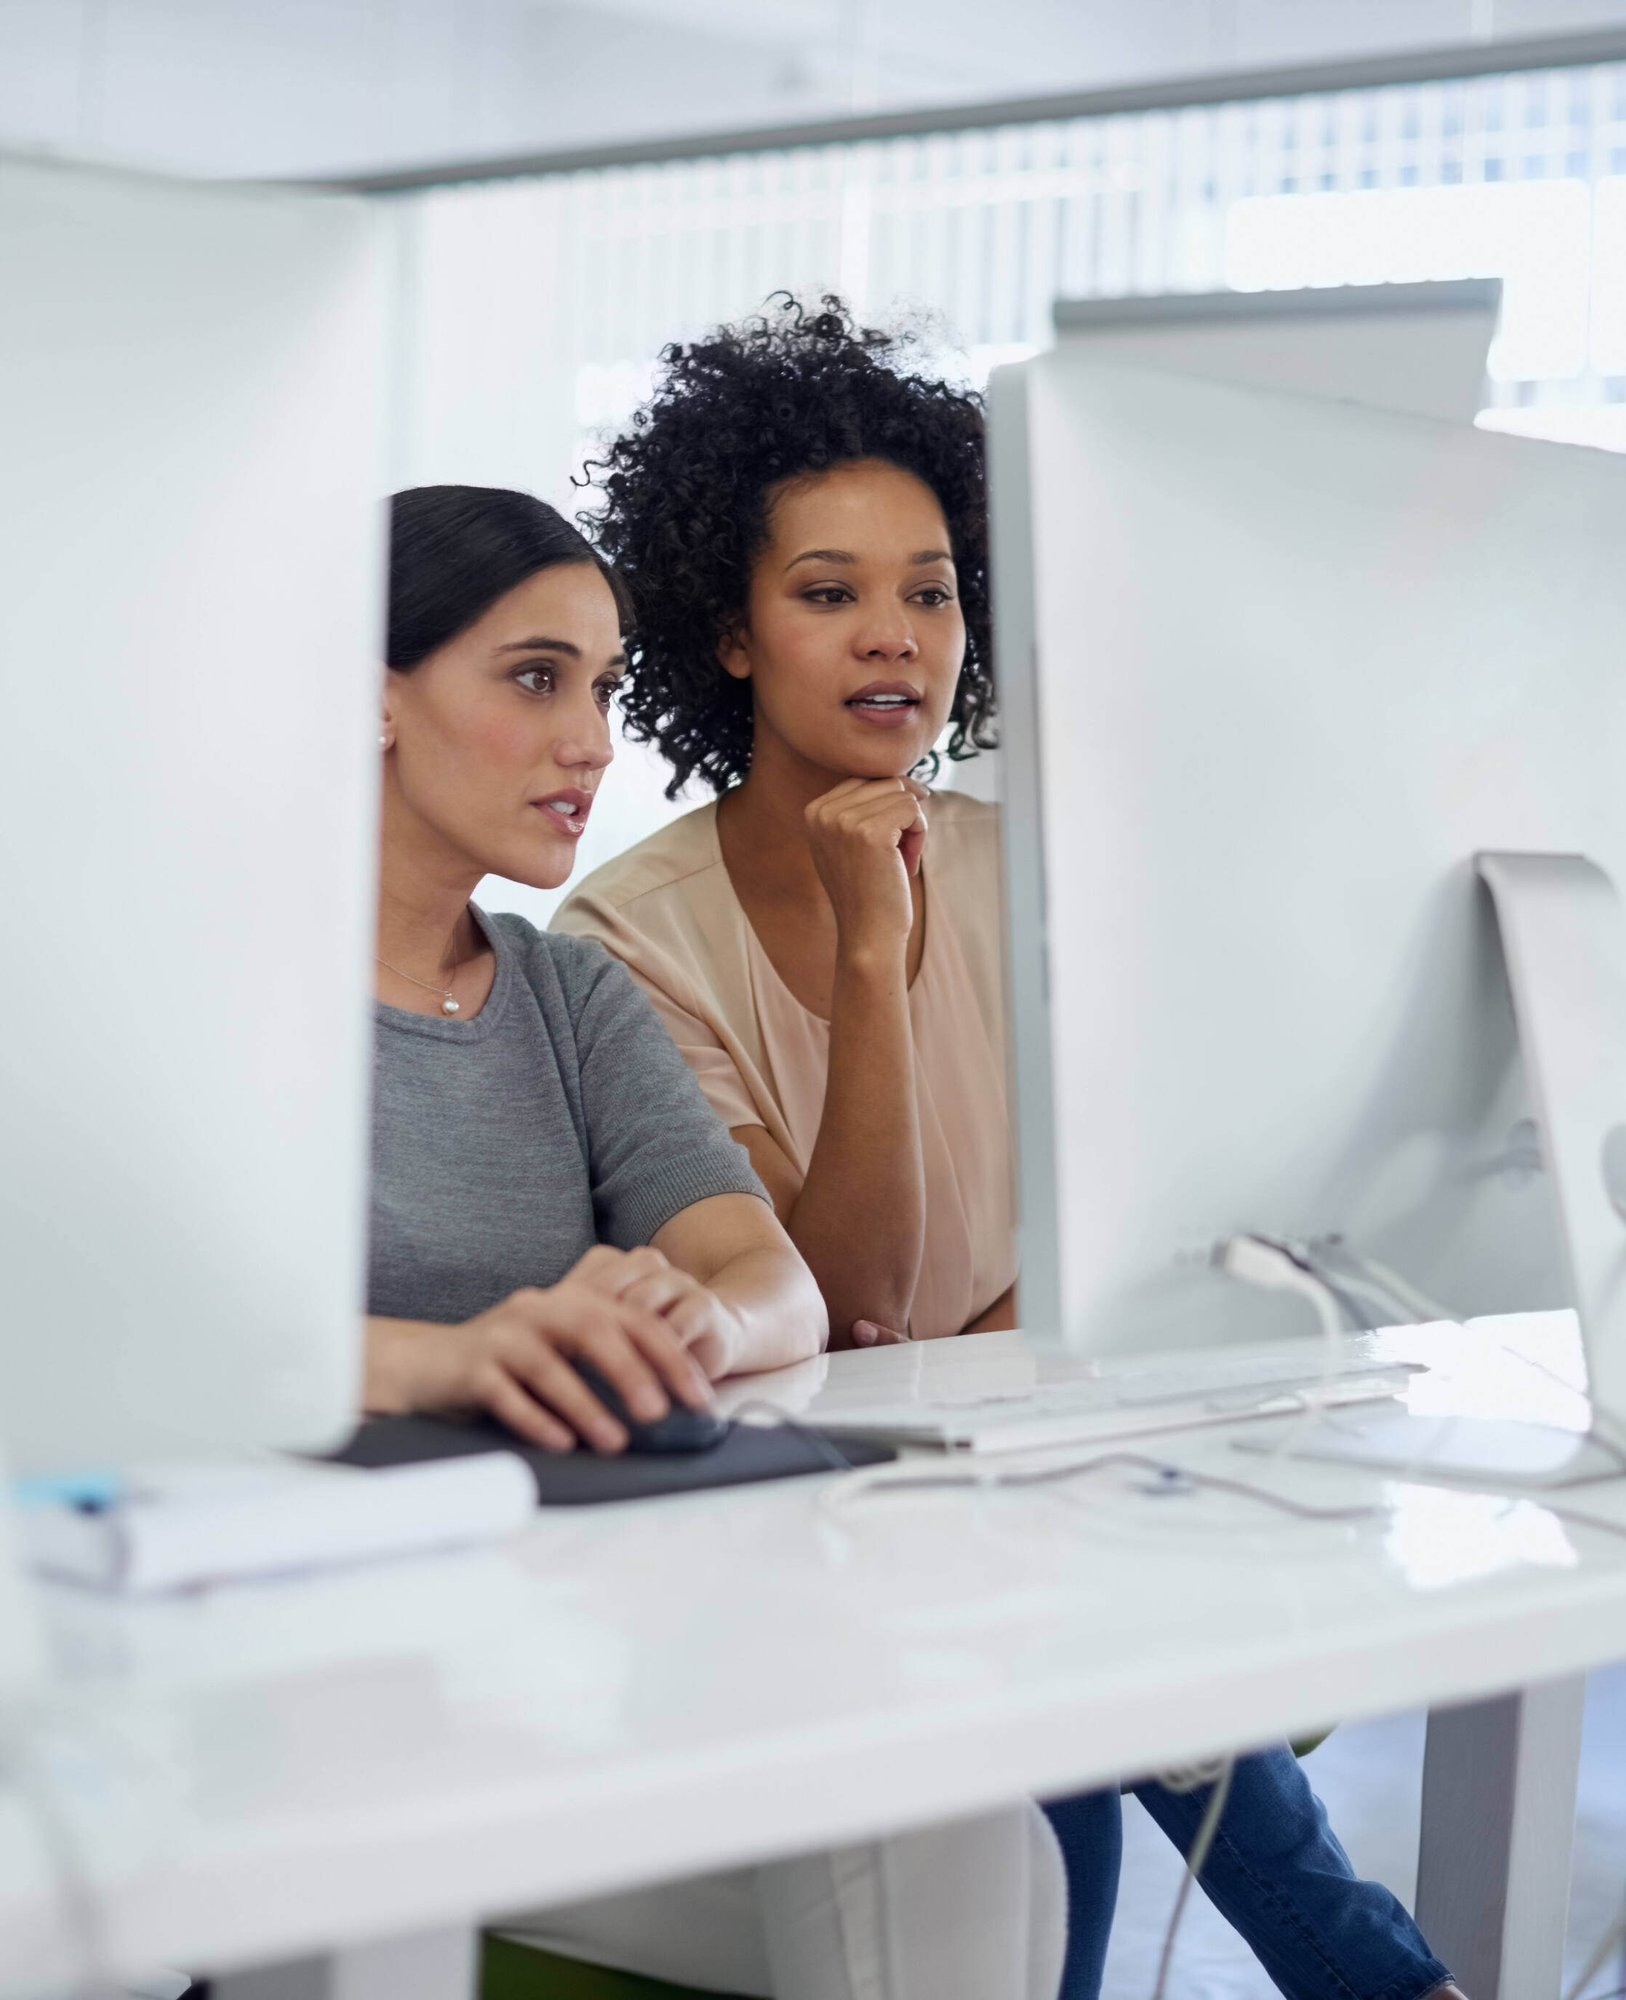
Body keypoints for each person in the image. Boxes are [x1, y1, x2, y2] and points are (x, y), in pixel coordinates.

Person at [555, 301, 1467, 2000]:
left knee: (1067, 1669)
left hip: (1045, 1481)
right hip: (800, 1546)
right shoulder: (629, 944)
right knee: (1092, 1685)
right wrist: (861, 950)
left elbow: (1167, 1207)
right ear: (732, 634)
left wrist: (1010, 1340)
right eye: (829, 594)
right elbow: (841, 1311)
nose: (896, 637)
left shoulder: (1050, 867)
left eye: (932, 588)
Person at [365, 483, 1066, 2000]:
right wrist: (456, 1356)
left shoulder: (562, 998)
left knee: (989, 1834)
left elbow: (777, 1286)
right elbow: (107, 1341)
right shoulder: (214, 999)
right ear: (372, 698)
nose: (591, 744)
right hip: (334, 1687)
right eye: (536, 679)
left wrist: (684, 1320)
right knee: (948, 1835)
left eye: (603, 690)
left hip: (575, 1655)